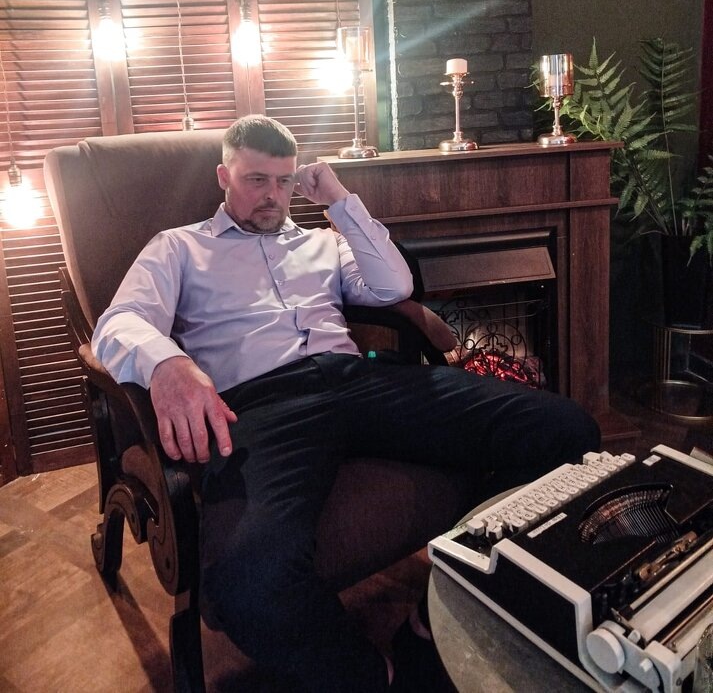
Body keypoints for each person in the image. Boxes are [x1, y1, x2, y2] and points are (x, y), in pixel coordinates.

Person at [92, 114, 601, 693]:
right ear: (223, 177)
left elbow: (393, 287)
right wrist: (166, 363)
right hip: (261, 407)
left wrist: (339, 201)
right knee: (247, 583)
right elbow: (119, 322)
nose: (273, 195)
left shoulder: (323, 243)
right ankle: (373, 676)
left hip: (361, 382)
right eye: (257, 180)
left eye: (284, 181)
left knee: (567, 431)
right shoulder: (180, 247)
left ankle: (445, 602)